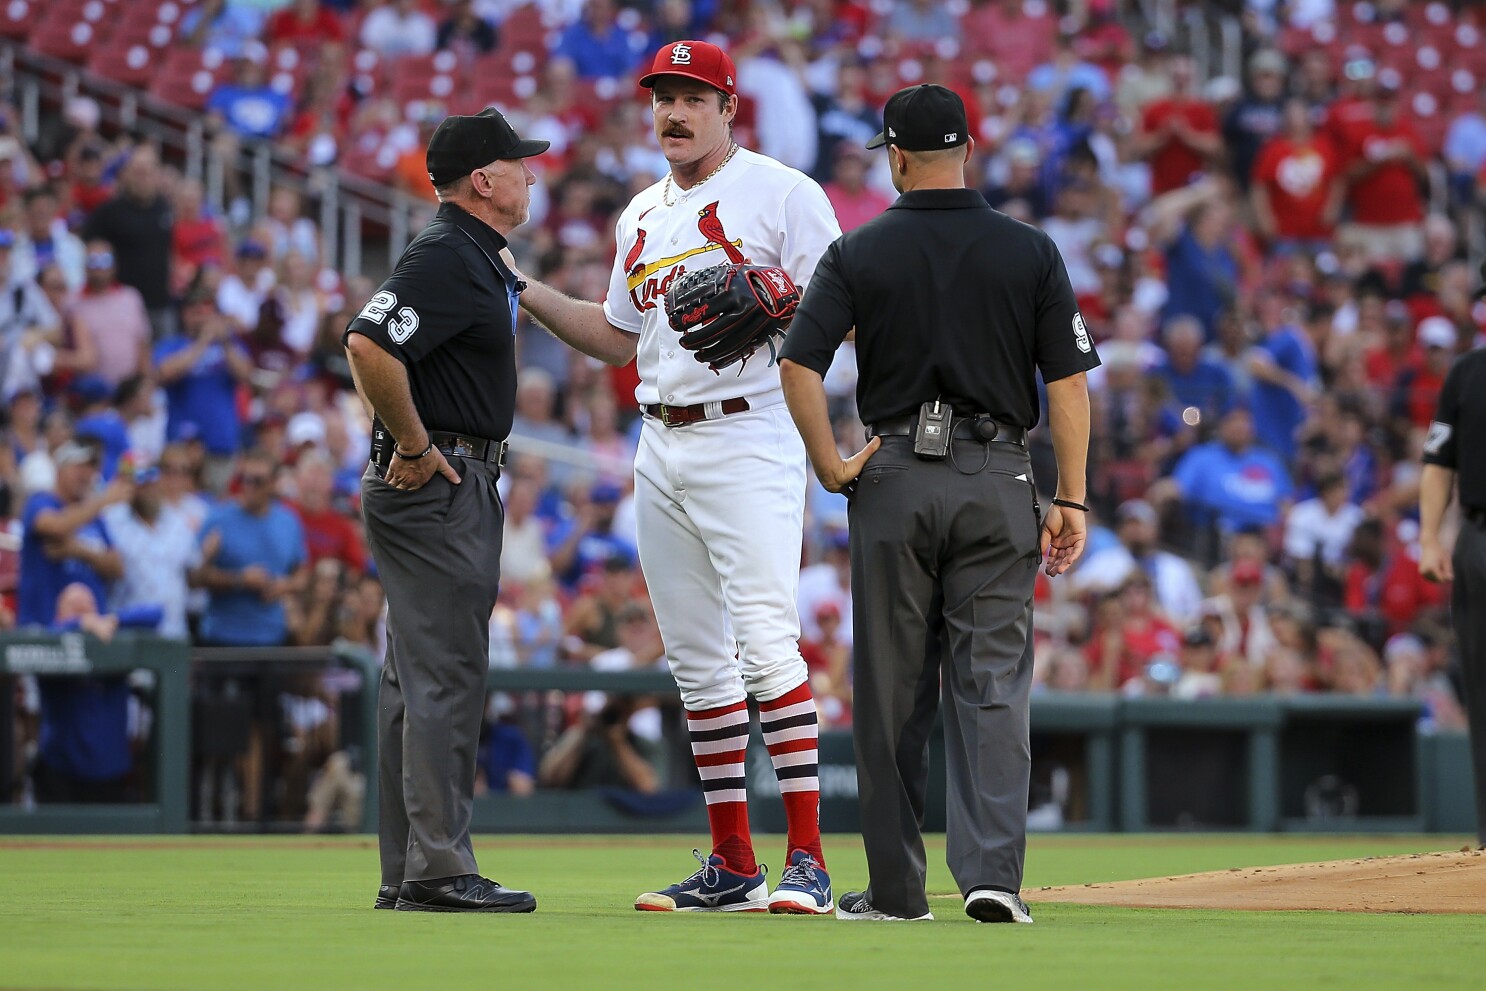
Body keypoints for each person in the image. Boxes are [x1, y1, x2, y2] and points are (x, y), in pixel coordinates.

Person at [508, 39, 843, 915]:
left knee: (766, 642)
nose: (674, 111)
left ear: (729, 107)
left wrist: (786, 299)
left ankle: (807, 859)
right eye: (663, 95)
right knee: (697, 665)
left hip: (750, 432)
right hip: (659, 439)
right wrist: (527, 290)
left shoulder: (785, 193)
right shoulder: (640, 214)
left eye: (693, 95)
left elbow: (849, 311)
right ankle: (734, 863)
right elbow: (620, 337)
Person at [778, 84, 1098, 923]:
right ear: (970, 149)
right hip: (999, 477)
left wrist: (831, 463)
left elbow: (797, 365)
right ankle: (993, 878)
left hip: (892, 476)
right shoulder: (1030, 250)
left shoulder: (859, 251)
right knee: (991, 683)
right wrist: (1073, 495)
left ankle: (895, 891)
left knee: (890, 692)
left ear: (895, 156)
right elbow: (1067, 382)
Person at [342, 107, 545, 914]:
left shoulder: (474, 256)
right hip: (440, 478)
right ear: (484, 180)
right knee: (446, 676)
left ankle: (410, 868)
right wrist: (418, 444)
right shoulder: (447, 253)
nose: (532, 174)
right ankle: (437, 868)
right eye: (520, 164)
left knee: (416, 677)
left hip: (442, 475)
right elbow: (366, 342)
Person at [1419, 296, 1486, 848]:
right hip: (1479, 534)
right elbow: (1439, 462)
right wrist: (1429, 537)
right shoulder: (1466, 372)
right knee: (1481, 688)